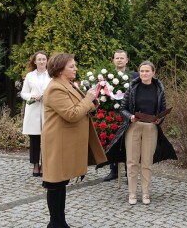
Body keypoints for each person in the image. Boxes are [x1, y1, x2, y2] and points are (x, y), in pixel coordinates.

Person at [41, 53, 107, 228]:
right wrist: (87, 99)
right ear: (60, 70)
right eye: (72, 66)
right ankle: (55, 223)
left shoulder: (67, 85)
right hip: (58, 144)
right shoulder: (56, 88)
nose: (75, 68)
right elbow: (71, 114)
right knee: (55, 183)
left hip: (66, 142)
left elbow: (79, 108)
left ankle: (59, 222)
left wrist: (93, 104)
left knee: (61, 182)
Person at [118, 61, 171, 205]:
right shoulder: (133, 86)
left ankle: (145, 192)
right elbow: (123, 108)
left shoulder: (159, 88)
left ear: (154, 72)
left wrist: (159, 120)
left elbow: (163, 109)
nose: (144, 74)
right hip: (134, 126)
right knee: (132, 161)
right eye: (141, 71)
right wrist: (131, 117)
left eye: (147, 71)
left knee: (147, 162)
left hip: (151, 128)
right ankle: (132, 193)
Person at [104, 50, 139, 182]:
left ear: (127, 60)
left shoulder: (135, 76)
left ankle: (128, 171)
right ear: (113, 60)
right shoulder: (107, 76)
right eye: (117, 58)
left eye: (122, 58)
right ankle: (113, 170)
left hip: (129, 113)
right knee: (112, 140)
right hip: (112, 113)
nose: (119, 60)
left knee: (128, 142)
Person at [20, 51, 51, 177]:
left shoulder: (52, 75)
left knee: (47, 139)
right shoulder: (29, 76)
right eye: (39, 59)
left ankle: (45, 165)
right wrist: (33, 96)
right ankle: (35, 165)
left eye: (44, 59)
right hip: (33, 109)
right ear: (35, 61)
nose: (42, 61)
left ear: (47, 61)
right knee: (34, 140)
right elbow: (23, 93)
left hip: (47, 110)